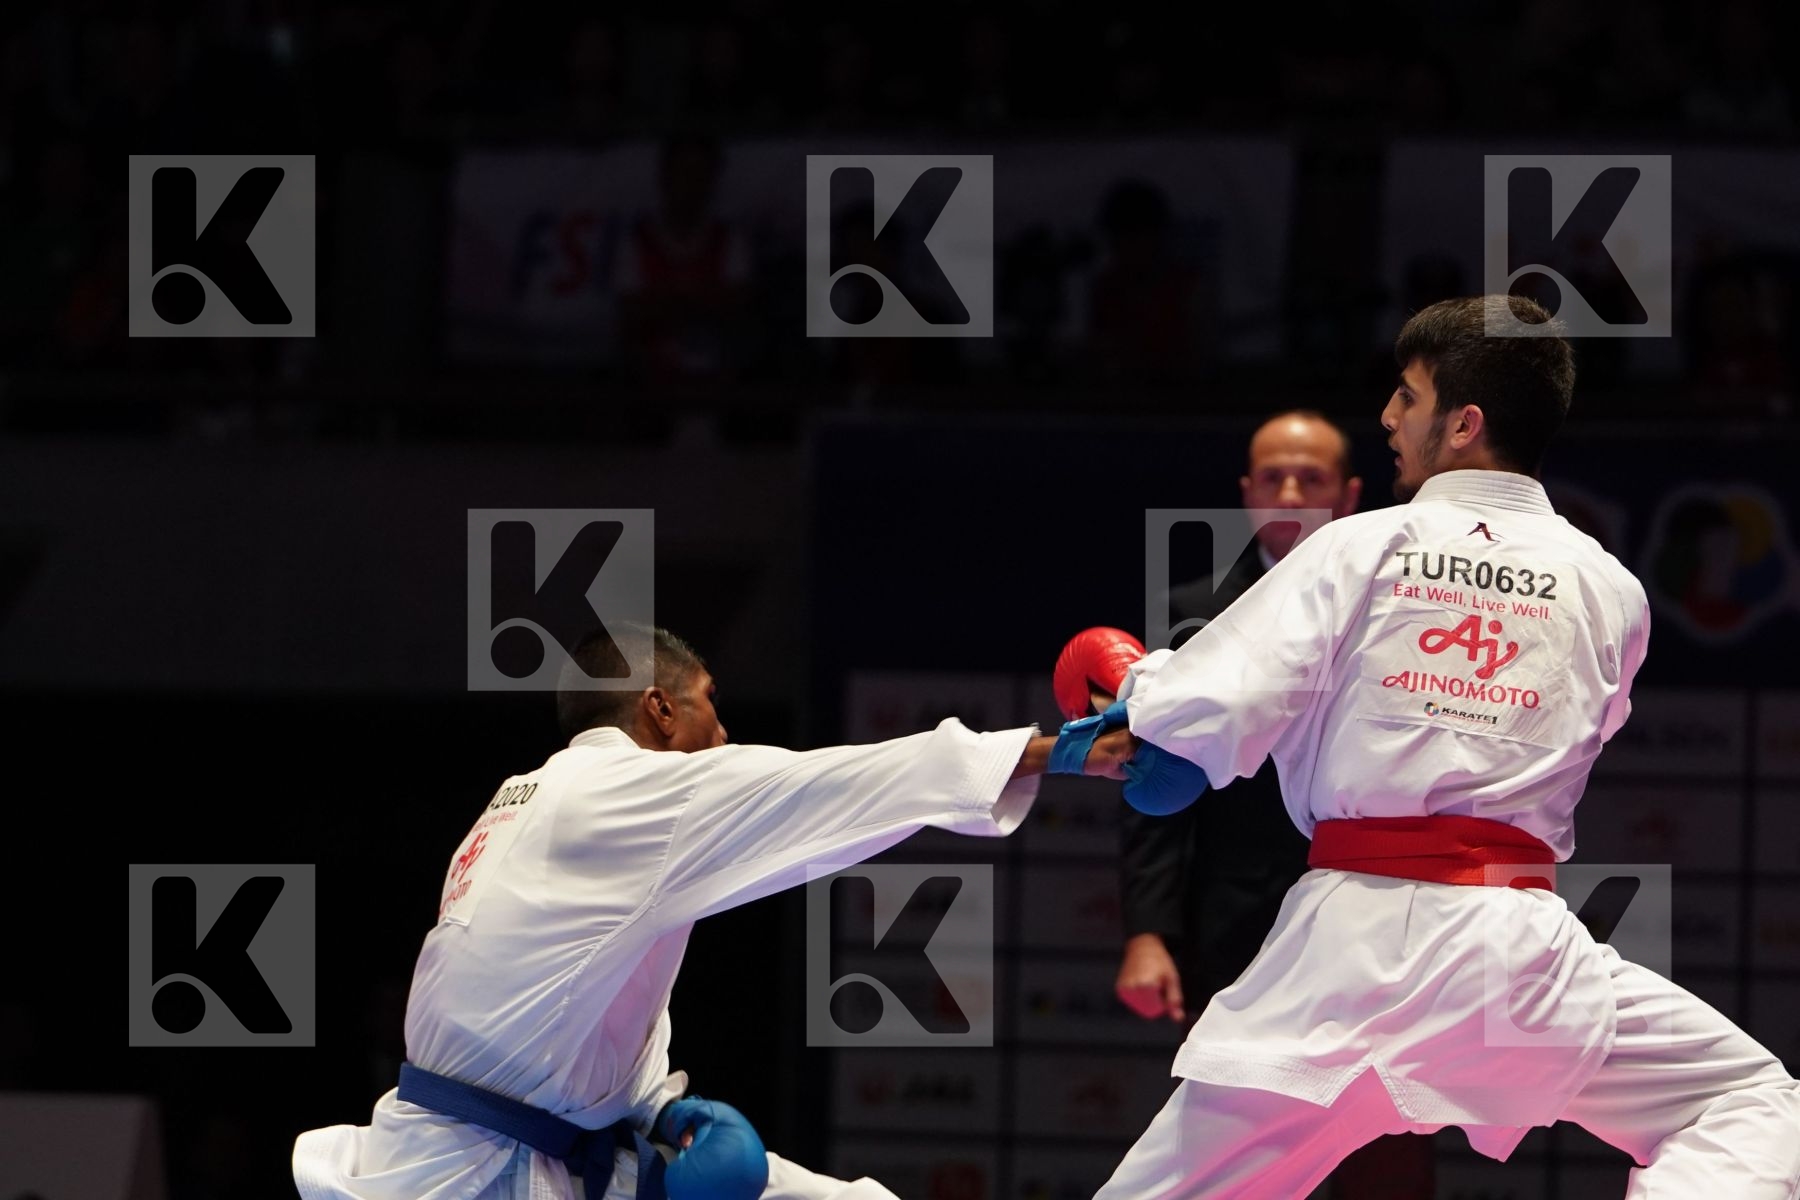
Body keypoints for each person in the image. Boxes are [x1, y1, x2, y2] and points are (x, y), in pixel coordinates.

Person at [1092, 294, 1800, 1197]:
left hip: (1351, 955)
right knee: (1744, 1100)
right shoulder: (1611, 587)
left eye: (1408, 396)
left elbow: (1207, 713)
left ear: (1463, 424)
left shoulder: (1361, 546)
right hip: (1519, 964)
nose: (1388, 416)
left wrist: (1127, 680)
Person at [293, 625, 1134, 1200]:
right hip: (472, 1175)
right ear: (658, 709)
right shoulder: (626, 795)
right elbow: (835, 785)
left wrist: (658, 1108)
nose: (725, 732)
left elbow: (560, 1008)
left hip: (511, 1146)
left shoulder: (522, 802)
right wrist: (1055, 750)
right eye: (707, 704)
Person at [1109, 411, 1431, 1195]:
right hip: (1239, 915)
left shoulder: (1404, 605)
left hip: (1383, 914)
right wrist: (1150, 931)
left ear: (1350, 495)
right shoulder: (1192, 611)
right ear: (1247, 491)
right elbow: (1151, 780)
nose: (1291, 491)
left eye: (1312, 478)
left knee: (1387, 1131)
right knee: (1230, 1147)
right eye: (1274, 477)